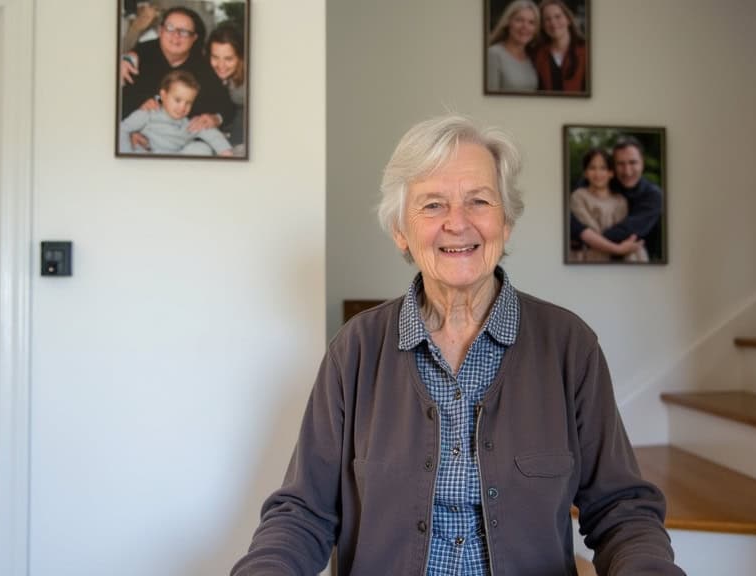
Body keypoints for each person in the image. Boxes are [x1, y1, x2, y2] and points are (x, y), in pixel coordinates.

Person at [231, 114, 683, 575]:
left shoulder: (569, 346)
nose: (457, 223)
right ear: (401, 232)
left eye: (479, 201)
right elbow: (303, 512)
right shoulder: (357, 349)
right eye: (432, 206)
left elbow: (622, 510)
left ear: (506, 223)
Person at [119, 6, 234, 140]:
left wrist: (216, 118)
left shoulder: (203, 65)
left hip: (182, 139)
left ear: (194, 38)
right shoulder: (138, 56)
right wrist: (129, 129)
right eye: (170, 28)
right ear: (160, 31)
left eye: (184, 32)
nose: (176, 35)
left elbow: (226, 105)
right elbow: (119, 101)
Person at [570, 137, 664, 261]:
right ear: (613, 167)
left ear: (642, 163)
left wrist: (585, 239)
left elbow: (626, 231)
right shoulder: (598, 182)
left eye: (633, 162)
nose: (627, 171)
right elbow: (572, 219)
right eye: (620, 164)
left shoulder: (653, 195)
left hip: (635, 258)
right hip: (593, 255)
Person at [119, 70, 232, 156]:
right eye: (177, 100)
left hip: (177, 162)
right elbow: (122, 128)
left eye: (188, 103)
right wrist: (126, 152)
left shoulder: (189, 124)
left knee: (202, 148)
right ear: (163, 95)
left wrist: (226, 152)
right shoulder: (149, 113)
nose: (182, 107)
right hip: (150, 158)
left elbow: (212, 134)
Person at [206, 24, 246, 156]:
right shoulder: (211, 73)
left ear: (241, 57)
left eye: (228, 59)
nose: (221, 65)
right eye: (215, 57)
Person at [534, 0, 588, 93]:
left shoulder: (586, 51)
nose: (553, 23)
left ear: (568, 19)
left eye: (558, 16)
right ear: (542, 25)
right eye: (547, 19)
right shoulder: (537, 54)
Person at [486, 1, 539, 92]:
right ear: (508, 22)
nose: (525, 26)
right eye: (519, 20)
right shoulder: (493, 54)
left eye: (531, 22)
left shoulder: (532, 57)